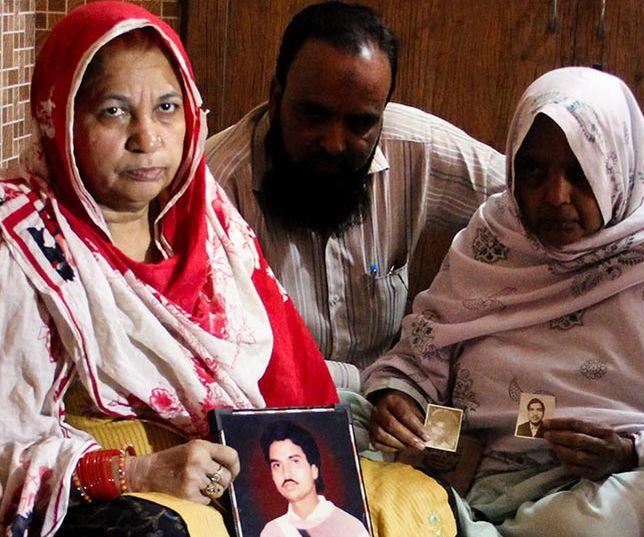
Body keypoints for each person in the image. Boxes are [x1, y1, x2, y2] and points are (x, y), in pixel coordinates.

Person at [0, 4, 460, 536]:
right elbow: (8, 442)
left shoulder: (203, 212)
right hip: (130, 486)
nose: (147, 138)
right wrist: (137, 471)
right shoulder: (23, 242)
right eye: (114, 111)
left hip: (249, 456)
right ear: (58, 116)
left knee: (414, 503)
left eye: (167, 107)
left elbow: (283, 373)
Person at [365, 67, 644, 535]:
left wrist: (631, 453)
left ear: (618, 167)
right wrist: (398, 399)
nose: (555, 196)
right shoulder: (494, 237)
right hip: (469, 463)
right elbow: (421, 355)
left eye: (581, 172)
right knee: (340, 442)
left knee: (592, 523)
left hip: (605, 482)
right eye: (533, 171)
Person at [205, 1, 505, 375]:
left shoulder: (415, 146)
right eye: (314, 114)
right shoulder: (212, 186)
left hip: (391, 407)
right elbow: (218, 359)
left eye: (360, 123)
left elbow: (539, 201)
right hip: (268, 405)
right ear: (276, 97)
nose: (334, 143)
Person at [259, 421, 370, 537]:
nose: (286, 474)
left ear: (314, 469)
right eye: (277, 465)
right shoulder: (271, 531)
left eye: (295, 461)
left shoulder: (350, 527)